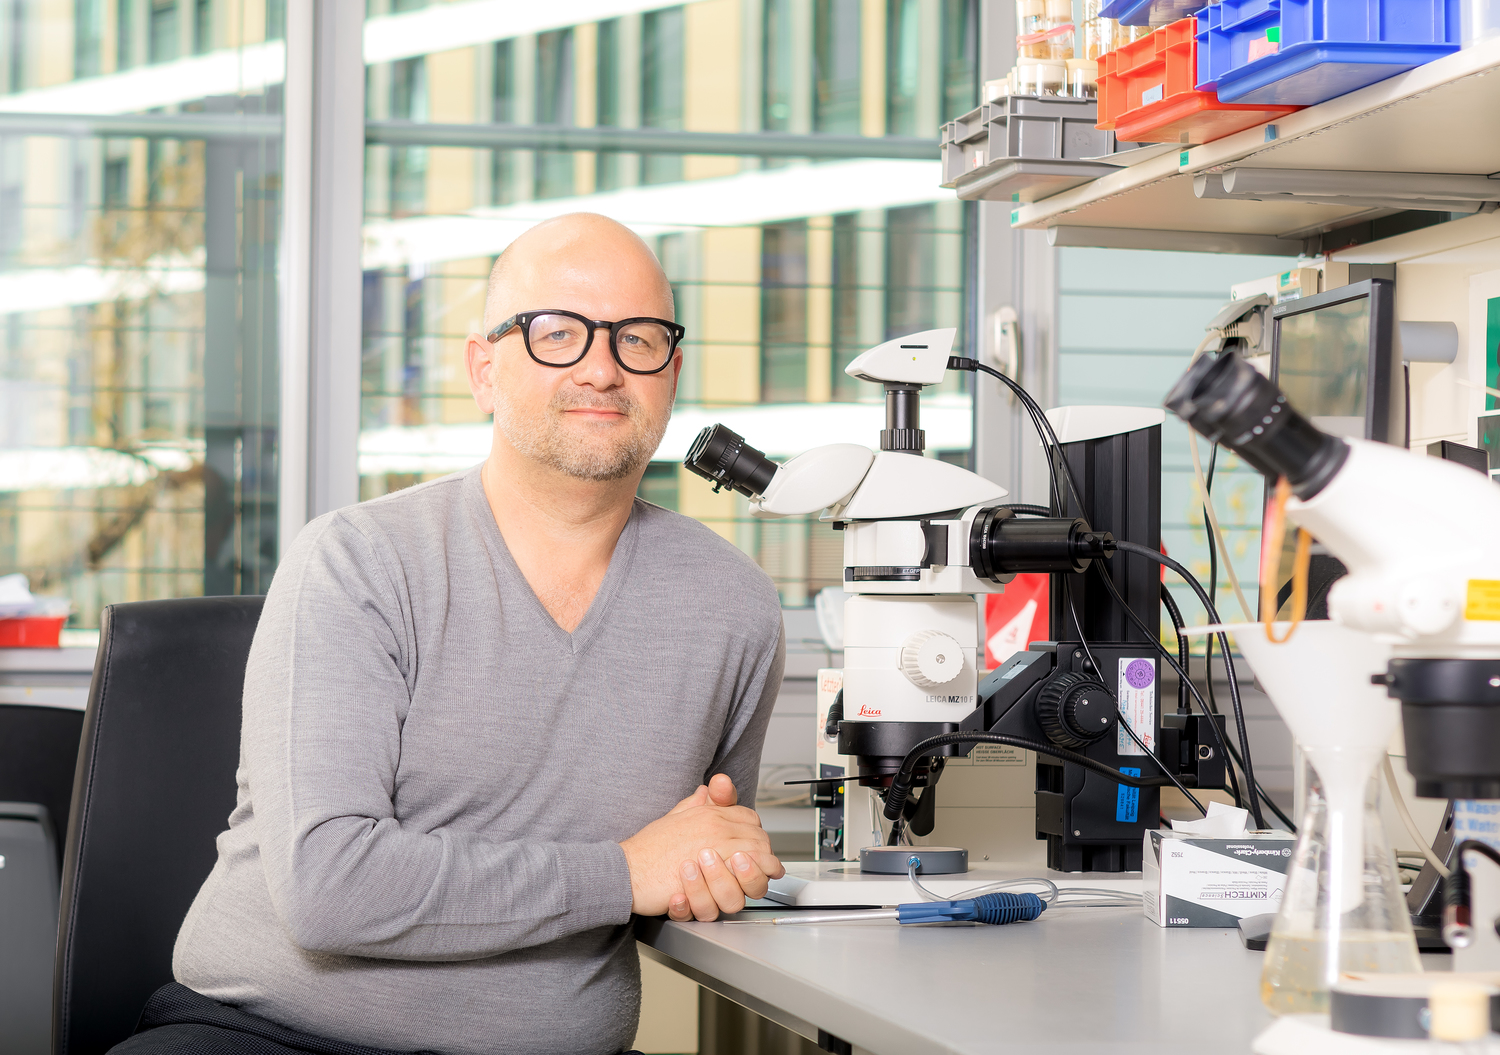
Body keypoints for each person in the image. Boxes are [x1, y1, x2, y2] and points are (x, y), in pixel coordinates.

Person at [127, 214, 787, 1055]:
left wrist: (712, 864)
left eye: (639, 338)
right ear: (483, 369)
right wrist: (621, 872)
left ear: (673, 371)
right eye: (557, 333)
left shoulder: (735, 605)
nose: (602, 366)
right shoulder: (358, 561)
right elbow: (330, 884)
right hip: (271, 1038)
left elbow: (699, 855)